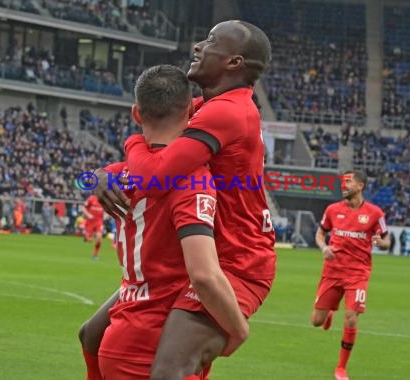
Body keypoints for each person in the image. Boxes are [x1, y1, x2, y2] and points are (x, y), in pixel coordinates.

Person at [83, 20, 276, 380]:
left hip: (237, 261)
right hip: (214, 250)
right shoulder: (210, 105)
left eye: (211, 41)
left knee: (170, 369)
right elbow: (159, 151)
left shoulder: (227, 111)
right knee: (92, 335)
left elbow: (154, 176)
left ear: (234, 62)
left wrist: (132, 142)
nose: (199, 46)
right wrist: (100, 175)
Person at [95, 64, 248, 380]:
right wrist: (238, 329)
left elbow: (86, 179)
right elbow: (203, 275)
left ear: (137, 114)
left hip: (121, 336)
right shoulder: (191, 180)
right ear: (192, 109)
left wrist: (94, 176)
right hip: (158, 350)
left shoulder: (119, 173)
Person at [311, 170, 390, 380]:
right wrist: (323, 248)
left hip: (358, 273)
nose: (343, 187)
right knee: (316, 321)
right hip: (333, 271)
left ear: (360, 185)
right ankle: (329, 312)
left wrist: (382, 243)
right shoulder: (332, 210)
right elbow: (320, 233)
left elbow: (387, 240)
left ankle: (341, 368)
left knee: (351, 319)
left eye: (348, 183)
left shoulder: (375, 213)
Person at [83, 194, 105, 260]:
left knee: (99, 239)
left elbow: (107, 208)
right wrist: (88, 214)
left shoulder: (104, 199)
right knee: (89, 240)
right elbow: (84, 208)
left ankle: (95, 255)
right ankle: (87, 237)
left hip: (99, 221)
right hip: (90, 221)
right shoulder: (91, 198)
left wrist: (107, 215)